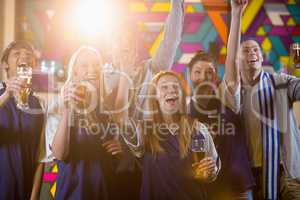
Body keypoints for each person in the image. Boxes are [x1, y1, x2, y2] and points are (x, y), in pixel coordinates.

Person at [228, 5, 300, 200]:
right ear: (237, 58)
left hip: (287, 172)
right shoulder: (232, 93)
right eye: (245, 50)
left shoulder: (282, 82)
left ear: (261, 57)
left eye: (255, 50)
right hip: (249, 175)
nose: (251, 52)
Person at [115, 69, 220, 200]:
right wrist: (125, 74)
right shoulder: (143, 130)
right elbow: (120, 118)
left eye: (176, 86)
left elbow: (211, 172)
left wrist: (210, 171)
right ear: (155, 97)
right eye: (164, 87)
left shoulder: (199, 129)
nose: (171, 90)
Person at [187, 1, 255, 199]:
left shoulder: (226, 97)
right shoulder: (184, 110)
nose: (203, 76)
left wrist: (236, 14)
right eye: (197, 71)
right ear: (190, 76)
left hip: (237, 189)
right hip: (205, 191)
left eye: (209, 71)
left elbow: (233, 60)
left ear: (216, 77)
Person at [51, 46, 123, 200]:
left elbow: (118, 153)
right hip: (74, 193)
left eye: (97, 64)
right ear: (75, 71)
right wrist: (67, 110)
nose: (93, 69)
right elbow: (60, 154)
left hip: (105, 191)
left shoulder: (108, 107)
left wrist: (120, 146)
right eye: (85, 65)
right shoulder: (60, 104)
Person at [0, 40, 44, 199]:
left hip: (25, 190)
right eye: (17, 54)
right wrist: (6, 95)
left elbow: (40, 156)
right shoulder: (1, 96)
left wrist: (34, 196)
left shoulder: (38, 105)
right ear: (6, 65)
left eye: (28, 54)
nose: (24, 57)